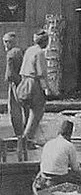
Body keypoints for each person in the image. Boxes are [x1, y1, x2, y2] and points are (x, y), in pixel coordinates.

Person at [15, 29, 50, 157]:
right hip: (34, 83)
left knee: (28, 112)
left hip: (23, 82)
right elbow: (41, 73)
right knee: (37, 112)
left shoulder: (30, 50)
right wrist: (46, 89)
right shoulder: (40, 53)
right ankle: (27, 140)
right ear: (45, 42)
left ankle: (24, 138)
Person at [35, 118, 80, 190]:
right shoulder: (69, 146)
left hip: (44, 174)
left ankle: (42, 184)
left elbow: (43, 162)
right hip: (59, 177)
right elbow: (75, 169)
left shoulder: (48, 143)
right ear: (70, 134)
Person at [4, 33, 24, 142]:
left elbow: (10, 73)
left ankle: (20, 134)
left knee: (14, 108)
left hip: (14, 83)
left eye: (8, 41)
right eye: (5, 41)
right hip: (18, 81)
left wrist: (16, 82)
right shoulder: (18, 51)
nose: (6, 44)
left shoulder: (11, 54)